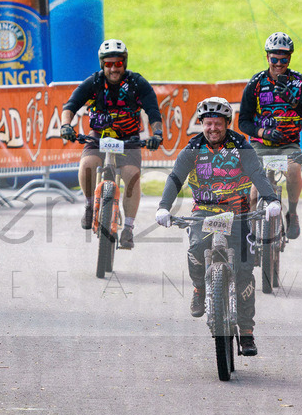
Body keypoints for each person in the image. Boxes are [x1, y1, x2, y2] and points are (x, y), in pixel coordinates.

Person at [154, 97, 282, 356]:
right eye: (208, 123)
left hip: (239, 214)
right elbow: (175, 178)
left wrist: (271, 200)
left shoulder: (241, 147)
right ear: (201, 124)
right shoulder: (192, 149)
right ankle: (200, 289)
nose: (213, 129)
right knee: (195, 252)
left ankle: (246, 333)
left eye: (218, 124)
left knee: (246, 273)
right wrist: (164, 207)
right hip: (204, 213)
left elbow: (257, 174)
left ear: (227, 123)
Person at [60, 39, 163, 250]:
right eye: (108, 64)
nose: (113, 68)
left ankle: (129, 229)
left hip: (129, 138)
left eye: (118, 63)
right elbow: (70, 105)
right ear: (102, 65)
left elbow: (153, 111)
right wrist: (65, 125)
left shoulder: (136, 83)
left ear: (124, 63)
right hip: (99, 135)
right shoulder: (94, 82)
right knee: (87, 164)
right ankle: (90, 205)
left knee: (132, 176)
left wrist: (157, 133)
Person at [238, 32, 302, 241]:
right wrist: (263, 132)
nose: (279, 63)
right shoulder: (255, 83)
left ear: (289, 58)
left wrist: (293, 101)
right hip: (261, 144)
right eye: (274, 58)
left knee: (292, 169)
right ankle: (252, 233)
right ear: (267, 58)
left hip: (288, 144)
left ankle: (292, 213)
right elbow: (242, 121)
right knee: (254, 190)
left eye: (284, 59)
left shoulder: (300, 82)